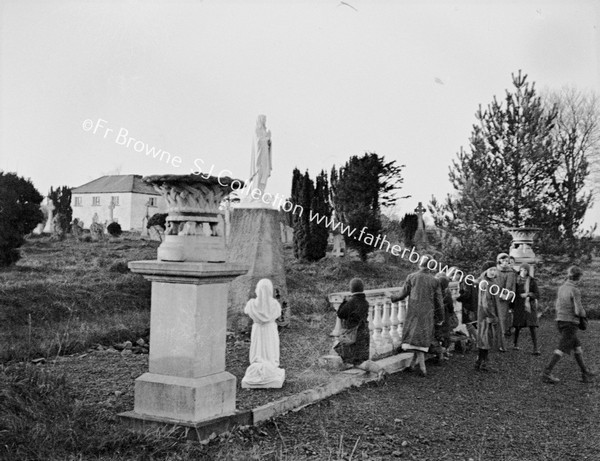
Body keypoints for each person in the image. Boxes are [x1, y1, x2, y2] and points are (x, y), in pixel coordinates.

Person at [389, 255, 444, 377]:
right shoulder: (435, 281)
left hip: (414, 312)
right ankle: (413, 365)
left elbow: (402, 294)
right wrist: (440, 318)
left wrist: (392, 297)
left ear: (420, 264)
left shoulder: (412, 277)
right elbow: (439, 301)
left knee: (416, 339)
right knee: (421, 339)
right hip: (427, 313)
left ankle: (422, 368)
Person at [542, 266, 596, 384]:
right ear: (579, 278)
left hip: (560, 320)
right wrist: (584, 314)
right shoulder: (575, 290)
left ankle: (584, 372)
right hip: (571, 322)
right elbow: (578, 311)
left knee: (577, 347)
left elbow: (557, 305)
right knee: (562, 347)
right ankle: (547, 372)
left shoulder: (562, 288)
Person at [334, 278, 387, 381]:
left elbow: (340, 314)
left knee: (357, 361)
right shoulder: (365, 302)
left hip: (354, 334)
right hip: (364, 332)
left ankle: (379, 370)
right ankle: (379, 370)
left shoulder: (352, 302)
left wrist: (344, 301)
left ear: (351, 289)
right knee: (360, 357)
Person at [241, 279, 285, 388]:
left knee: (258, 349)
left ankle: (258, 366)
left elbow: (247, 311)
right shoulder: (274, 304)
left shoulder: (251, 304)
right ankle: (270, 368)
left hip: (258, 330)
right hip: (270, 329)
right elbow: (278, 314)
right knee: (270, 349)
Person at [475, 261, 500, 372]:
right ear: (485, 271)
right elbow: (486, 302)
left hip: (485, 314)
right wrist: (492, 316)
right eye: (491, 270)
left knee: (485, 339)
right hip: (486, 315)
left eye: (494, 270)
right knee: (485, 339)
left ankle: (480, 362)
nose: (493, 272)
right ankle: (483, 363)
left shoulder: (490, 282)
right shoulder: (485, 283)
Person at [511, 263, 541, 355]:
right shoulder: (515, 281)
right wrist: (511, 306)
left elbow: (537, 295)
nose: (523, 272)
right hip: (518, 305)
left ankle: (535, 348)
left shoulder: (532, 281)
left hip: (529, 306)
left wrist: (528, 294)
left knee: (532, 326)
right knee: (518, 326)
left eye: (525, 270)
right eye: (522, 270)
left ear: (528, 272)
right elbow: (512, 293)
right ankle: (515, 344)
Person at [495, 253, 516, 351]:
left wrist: (506, 296)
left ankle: (502, 344)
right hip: (492, 298)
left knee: (502, 321)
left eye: (507, 261)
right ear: (499, 261)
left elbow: (512, 288)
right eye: (502, 260)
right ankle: (492, 342)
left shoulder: (511, 273)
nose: (505, 263)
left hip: (503, 300)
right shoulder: (494, 271)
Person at [248, 114, 272, 198]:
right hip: (259, 157)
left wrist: (269, 140)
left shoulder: (266, 131)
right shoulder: (256, 129)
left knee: (264, 174)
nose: (265, 122)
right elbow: (258, 141)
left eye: (265, 120)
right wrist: (266, 139)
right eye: (263, 120)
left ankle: (260, 193)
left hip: (265, 156)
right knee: (258, 174)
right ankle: (255, 194)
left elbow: (267, 143)